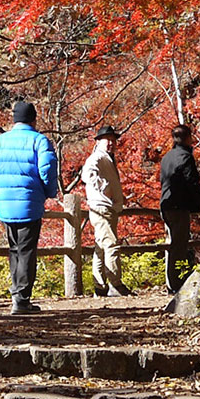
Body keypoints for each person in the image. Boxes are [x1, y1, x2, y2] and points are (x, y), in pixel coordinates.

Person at [0, 100, 59, 315]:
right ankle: (22, 299)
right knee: (26, 251)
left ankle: (18, 295)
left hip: (5, 204)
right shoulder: (40, 141)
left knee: (14, 249)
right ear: (33, 119)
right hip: (29, 202)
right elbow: (47, 169)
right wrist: (50, 192)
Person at [80, 126, 131, 297]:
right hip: (101, 207)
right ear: (98, 141)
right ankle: (115, 284)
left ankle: (100, 287)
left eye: (113, 139)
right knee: (111, 245)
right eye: (107, 139)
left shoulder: (107, 158)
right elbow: (87, 175)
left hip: (105, 207)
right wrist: (105, 189)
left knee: (101, 246)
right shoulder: (97, 157)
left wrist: (116, 196)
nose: (111, 143)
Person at [159, 124, 200, 295]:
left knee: (175, 244)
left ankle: (174, 281)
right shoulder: (185, 157)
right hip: (178, 206)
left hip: (166, 205)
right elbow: (192, 182)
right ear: (188, 137)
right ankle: (176, 283)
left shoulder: (167, 157)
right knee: (179, 245)